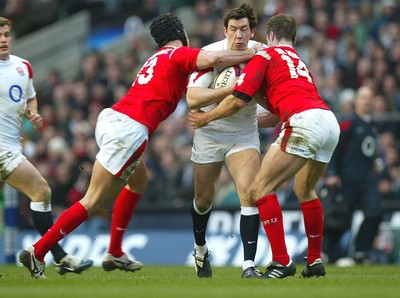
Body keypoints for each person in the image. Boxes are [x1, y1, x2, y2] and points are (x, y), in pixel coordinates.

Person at [18, 12, 261, 279]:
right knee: (94, 201)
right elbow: (214, 58)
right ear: (180, 33)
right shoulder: (178, 54)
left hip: (112, 118)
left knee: (139, 180)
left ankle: (114, 250)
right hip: (130, 129)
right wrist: (253, 55)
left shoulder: (156, 58)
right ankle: (38, 251)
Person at [187, 13, 340, 279]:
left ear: (268, 36)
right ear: (293, 38)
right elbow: (274, 111)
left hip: (303, 122)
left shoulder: (265, 56)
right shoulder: (299, 62)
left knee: (259, 188)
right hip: (327, 121)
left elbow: (237, 101)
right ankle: (315, 260)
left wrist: (207, 116)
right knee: (306, 189)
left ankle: (281, 260)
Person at [186, 4, 278, 279]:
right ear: (225, 31)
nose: (239, 35)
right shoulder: (212, 54)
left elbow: (274, 109)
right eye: (234, 29)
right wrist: (232, 88)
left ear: (252, 31)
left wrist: (257, 119)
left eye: (245, 30)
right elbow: (192, 98)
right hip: (210, 131)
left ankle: (249, 266)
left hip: (244, 133)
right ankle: (200, 249)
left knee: (249, 193)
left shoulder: (263, 54)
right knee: (203, 200)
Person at [0, 16, 93, 275]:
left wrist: (33, 113)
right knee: (41, 191)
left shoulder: (23, 67)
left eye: (6, 34)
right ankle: (57, 257)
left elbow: (30, 98)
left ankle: (49, 256)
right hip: (2, 149)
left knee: (41, 193)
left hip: (9, 147)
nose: (3, 39)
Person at [322, 85, 384, 265]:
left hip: (367, 180)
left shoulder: (372, 124)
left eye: (370, 97)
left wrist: (377, 162)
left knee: (375, 212)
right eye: (363, 96)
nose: (367, 100)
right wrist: (332, 172)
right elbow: (334, 146)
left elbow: (369, 149)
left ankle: (361, 250)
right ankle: (324, 251)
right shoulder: (349, 122)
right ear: (357, 100)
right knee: (340, 220)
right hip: (347, 179)